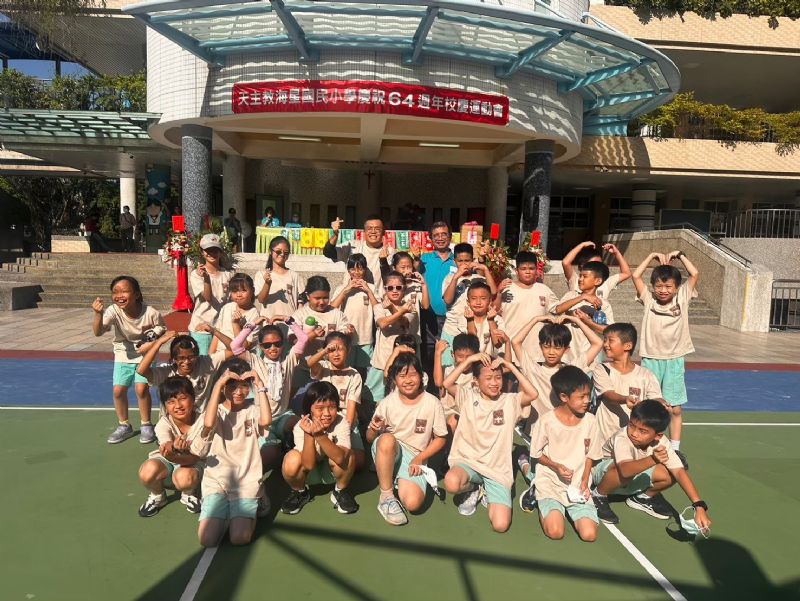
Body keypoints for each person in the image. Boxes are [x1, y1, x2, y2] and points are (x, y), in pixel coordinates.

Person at [442, 354, 537, 532]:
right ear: (476, 381)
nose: (494, 383)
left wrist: (510, 366)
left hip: (497, 471)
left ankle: (487, 489)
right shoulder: (467, 397)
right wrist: (469, 361)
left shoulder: (510, 401)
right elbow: (447, 384)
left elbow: (533, 394)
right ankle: (473, 488)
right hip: (468, 462)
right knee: (451, 482)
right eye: (488, 378)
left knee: (501, 525)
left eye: (498, 377)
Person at [591, 399, 711, 534]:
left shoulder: (662, 442)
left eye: (642, 431)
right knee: (622, 468)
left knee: (671, 472)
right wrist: (653, 459)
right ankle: (598, 495)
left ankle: (642, 498)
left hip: (629, 480)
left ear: (658, 436)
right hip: (603, 477)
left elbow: (679, 472)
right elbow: (625, 471)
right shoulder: (622, 438)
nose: (634, 433)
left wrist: (699, 506)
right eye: (631, 425)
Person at [190, 358, 272, 547]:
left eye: (244, 386)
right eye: (232, 386)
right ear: (223, 387)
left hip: (246, 481)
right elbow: (209, 423)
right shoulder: (216, 411)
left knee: (239, 538)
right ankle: (227, 509)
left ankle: (258, 497)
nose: (239, 391)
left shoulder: (252, 410)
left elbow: (266, 421)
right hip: (217, 481)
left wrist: (260, 385)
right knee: (207, 540)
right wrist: (218, 384)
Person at [632, 250, 699, 466]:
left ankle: (675, 449)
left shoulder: (682, 297)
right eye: (659, 286)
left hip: (674, 359)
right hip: (651, 359)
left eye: (668, 286)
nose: (663, 290)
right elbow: (635, 276)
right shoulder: (649, 299)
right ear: (653, 287)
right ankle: (643, 444)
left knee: (675, 408)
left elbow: (694, 273)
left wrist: (680, 255)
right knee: (648, 405)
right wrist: (651, 255)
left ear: (677, 288)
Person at [366, 354, 447, 526]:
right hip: (390, 448)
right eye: (402, 375)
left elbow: (440, 438)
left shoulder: (433, 403)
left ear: (421, 376)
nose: (408, 380)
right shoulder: (387, 403)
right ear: (394, 380)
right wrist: (373, 429)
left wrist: (420, 458)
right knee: (387, 440)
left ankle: (389, 472)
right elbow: (369, 438)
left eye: (412, 374)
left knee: (413, 504)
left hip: (415, 456)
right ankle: (386, 497)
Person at [529, 366, 603, 542]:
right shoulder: (546, 421)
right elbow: (536, 454)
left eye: (588, 395)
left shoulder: (591, 421)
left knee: (589, 535)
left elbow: (591, 455)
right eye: (581, 397)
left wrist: (584, 481)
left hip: (577, 487)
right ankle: (535, 487)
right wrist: (556, 466)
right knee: (555, 532)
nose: (587, 401)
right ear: (564, 397)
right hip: (550, 484)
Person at [92, 275, 165, 444]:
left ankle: (146, 425)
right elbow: (98, 332)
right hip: (123, 353)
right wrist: (98, 314)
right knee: (118, 391)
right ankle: (124, 425)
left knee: (141, 388)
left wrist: (148, 342)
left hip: (145, 354)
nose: (119, 295)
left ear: (137, 294)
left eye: (124, 291)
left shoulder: (150, 312)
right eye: (115, 292)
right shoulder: (113, 311)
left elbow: (161, 327)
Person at [281, 382, 359, 515]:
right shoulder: (301, 426)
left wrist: (320, 436)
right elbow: (308, 465)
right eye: (320, 408)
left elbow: (340, 458)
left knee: (349, 456)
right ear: (309, 409)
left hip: (332, 469)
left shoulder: (341, 422)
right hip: (310, 472)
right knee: (291, 459)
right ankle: (300, 491)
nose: (327, 413)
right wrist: (309, 434)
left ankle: (340, 491)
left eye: (332, 407)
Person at [137, 376, 205, 517]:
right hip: (169, 461)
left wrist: (175, 454)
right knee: (147, 472)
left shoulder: (203, 421)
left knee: (184, 478)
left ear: (193, 399)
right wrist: (173, 446)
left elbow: (196, 457)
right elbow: (166, 444)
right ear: (165, 406)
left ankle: (188, 494)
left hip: (193, 463)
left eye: (182, 398)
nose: (178, 405)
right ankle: (158, 495)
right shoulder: (163, 423)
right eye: (171, 402)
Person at [592, 323, 666, 443]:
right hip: (605, 437)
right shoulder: (601, 369)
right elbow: (608, 394)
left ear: (628, 346)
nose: (605, 344)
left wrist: (662, 403)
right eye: (604, 340)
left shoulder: (645, 374)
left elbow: (655, 398)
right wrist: (625, 399)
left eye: (610, 340)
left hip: (633, 439)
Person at [306, 331, 366, 470]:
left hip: (344, 421)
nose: (336, 354)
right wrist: (324, 351)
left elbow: (351, 410)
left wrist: (345, 431)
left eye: (340, 349)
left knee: (359, 461)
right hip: (321, 418)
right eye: (332, 350)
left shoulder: (354, 375)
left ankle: (331, 459)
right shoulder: (323, 367)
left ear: (348, 350)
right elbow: (310, 363)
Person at [290, 276, 355, 392]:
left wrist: (349, 333)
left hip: (329, 371)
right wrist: (312, 335)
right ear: (308, 296)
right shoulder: (300, 315)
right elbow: (293, 340)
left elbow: (345, 339)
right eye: (317, 298)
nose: (321, 302)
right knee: (299, 397)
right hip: (303, 368)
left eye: (325, 298)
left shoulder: (336, 314)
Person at [137, 331, 230, 411]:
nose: (187, 362)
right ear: (174, 358)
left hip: (199, 420)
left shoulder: (207, 362)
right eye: (181, 358)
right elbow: (141, 370)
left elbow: (233, 349)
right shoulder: (166, 373)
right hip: (171, 421)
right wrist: (158, 342)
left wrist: (214, 331)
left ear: (197, 355)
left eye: (191, 357)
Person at [366, 271, 419, 404]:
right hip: (381, 360)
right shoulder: (379, 307)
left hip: (402, 361)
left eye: (398, 287)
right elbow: (382, 324)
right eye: (390, 288)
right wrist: (400, 311)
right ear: (385, 289)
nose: (394, 291)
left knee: (399, 398)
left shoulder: (410, 307)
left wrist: (393, 309)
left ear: (404, 289)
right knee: (372, 398)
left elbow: (404, 323)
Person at [496, 251, 558, 362]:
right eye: (523, 269)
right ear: (516, 271)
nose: (528, 272)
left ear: (537, 270)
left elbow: (557, 308)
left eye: (531, 268)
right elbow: (494, 311)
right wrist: (499, 293)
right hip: (510, 351)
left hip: (536, 352)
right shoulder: (507, 288)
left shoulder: (543, 289)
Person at [552, 261, 614, 366]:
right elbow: (558, 310)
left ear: (598, 281)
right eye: (580, 276)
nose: (580, 279)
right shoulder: (571, 295)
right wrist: (582, 297)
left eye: (585, 276)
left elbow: (608, 330)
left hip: (590, 355)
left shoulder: (603, 304)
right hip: (567, 354)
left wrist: (588, 322)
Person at [330, 254, 379, 375]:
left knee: (364, 371)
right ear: (348, 271)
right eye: (353, 269)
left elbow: (378, 309)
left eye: (360, 269)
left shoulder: (371, 288)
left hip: (366, 338)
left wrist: (368, 291)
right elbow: (331, 308)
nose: (356, 273)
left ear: (365, 270)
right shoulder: (342, 288)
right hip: (346, 338)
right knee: (346, 369)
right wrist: (345, 290)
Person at [441, 281, 506, 366]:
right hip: (470, 364)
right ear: (468, 302)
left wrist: (491, 320)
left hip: (490, 364)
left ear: (490, 301)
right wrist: (470, 321)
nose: (478, 302)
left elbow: (498, 344)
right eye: (474, 298)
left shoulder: (497, 319)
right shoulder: (463, 319)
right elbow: (473, 345)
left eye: (483, 298)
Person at [324, 215, 393, 294]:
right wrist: (335, 234)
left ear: (383, 232)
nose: (373, 231)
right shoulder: (353, 246)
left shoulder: (389, 251)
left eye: (377, 229)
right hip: (350, 297)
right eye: (369, 228)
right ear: (364, 231)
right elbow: (328, 252)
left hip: (376, 298)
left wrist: (383, 262)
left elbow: (391, 279)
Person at [188, 233, 232, 355]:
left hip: (221, 329)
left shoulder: (228, 275)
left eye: (215, 250)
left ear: (220, 252)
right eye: (208, 250)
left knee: (220, 363)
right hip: (202, 328)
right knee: (202, 362)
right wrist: (206, 279)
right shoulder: (197, 274)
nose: (212, 254)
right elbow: (207, 298)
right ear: (202, 252)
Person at [418, 221, 455, 362]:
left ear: (450, 236)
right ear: (431, 239)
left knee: (449, 354)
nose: (440, 238)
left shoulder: (457, 260)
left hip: (451, 317)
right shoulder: (423, 259)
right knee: (428, 353)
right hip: (428, 316)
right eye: (436, 235)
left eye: (443, 234)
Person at [433, 334, 479, 433]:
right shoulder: (447, 370)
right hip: (449, 414)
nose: (465, 361)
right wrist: (438, 353)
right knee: (453, 420)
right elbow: (438, 383)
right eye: (460, 356)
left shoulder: (478, 373)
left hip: (471, 413)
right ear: (453, 355)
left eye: (469, 357)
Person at [208, 273, 261, 354]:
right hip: (220, 354)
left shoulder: (255, 316)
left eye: (243, 290)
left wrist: (236, 324)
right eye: (235, 291)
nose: (239, 295)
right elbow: (217, 334)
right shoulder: (227, 307)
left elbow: (245, 346)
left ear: (252, 290)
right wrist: (211, 355)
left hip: (238, 357)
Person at [254, 236, 302, 322]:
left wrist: (297, 323)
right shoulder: (261, 274)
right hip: (269, 324)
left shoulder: (295, 276)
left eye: (286, 252)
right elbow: (261, 300)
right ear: (270, 251)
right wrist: (267, 284)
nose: (282, 254)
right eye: (278, 251)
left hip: (290, 324)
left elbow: (301, 303)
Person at [562, 241, 631, 301]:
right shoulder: (577, 281)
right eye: (593, 264)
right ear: (583, 265)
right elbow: (565, 263)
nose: (597, 266)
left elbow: (626, 273)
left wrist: (616, 253)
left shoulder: (606, 283)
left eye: (600, 264)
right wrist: (582, 245)